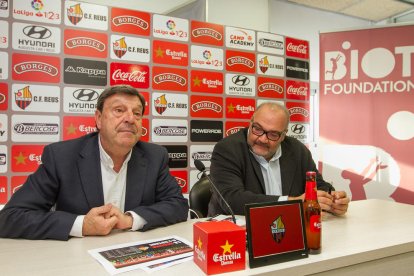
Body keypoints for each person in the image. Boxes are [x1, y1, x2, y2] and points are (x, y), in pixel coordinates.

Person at [0, 85, 189, 240]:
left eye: (137, 113)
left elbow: (178, 205)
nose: (130, 119)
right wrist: (82, 225)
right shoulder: (61, 156)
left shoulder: (155, 156)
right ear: (98, 119)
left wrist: (130, 220)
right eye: (119, 110)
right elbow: (10, 217)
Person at [208, 102, 349, 216]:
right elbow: (233, 199)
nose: (262, 139)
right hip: (235, 232)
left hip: (287, 227)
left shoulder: (297, 150)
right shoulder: (227, 149)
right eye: (257, 129)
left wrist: (332, 200)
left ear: (283, 136)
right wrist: (292, 203)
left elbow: (317, 184)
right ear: (250, 123)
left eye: (273, 134)